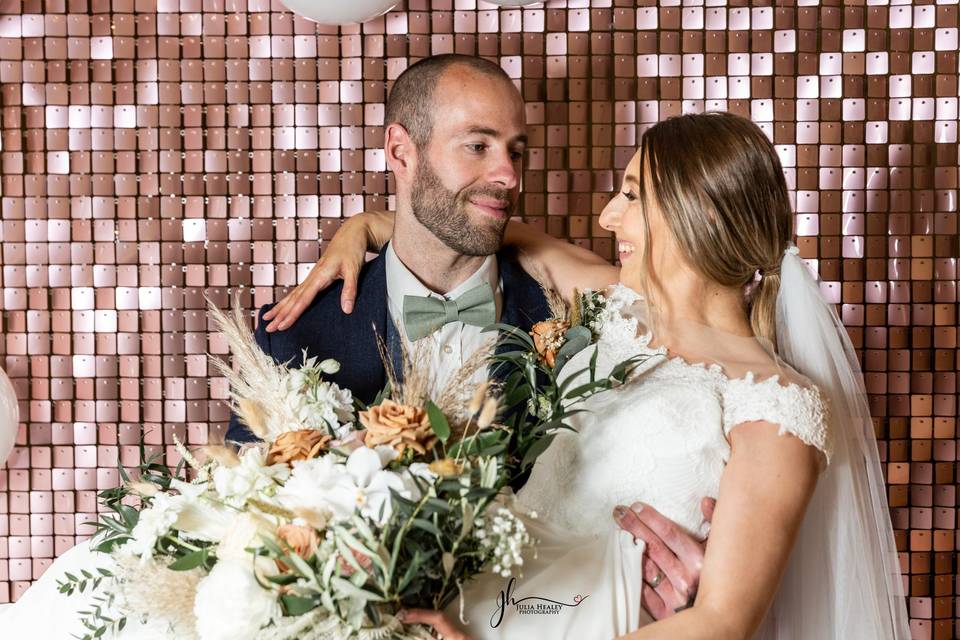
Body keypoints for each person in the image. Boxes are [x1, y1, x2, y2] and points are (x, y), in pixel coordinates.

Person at [0, 55, 708, 637]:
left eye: (516, 151)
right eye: (479, 145)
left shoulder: (572, 317)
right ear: (401, 152)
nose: (509, 176)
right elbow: (251, 547)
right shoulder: (293, 336)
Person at [276, 112, 911, 638]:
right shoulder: (614, 306)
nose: (608, 218)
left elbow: (721, 622)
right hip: (472, 604)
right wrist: (364, 227)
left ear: (705, 216)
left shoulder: (778, 405)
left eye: (633, 196)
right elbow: (490, 232)